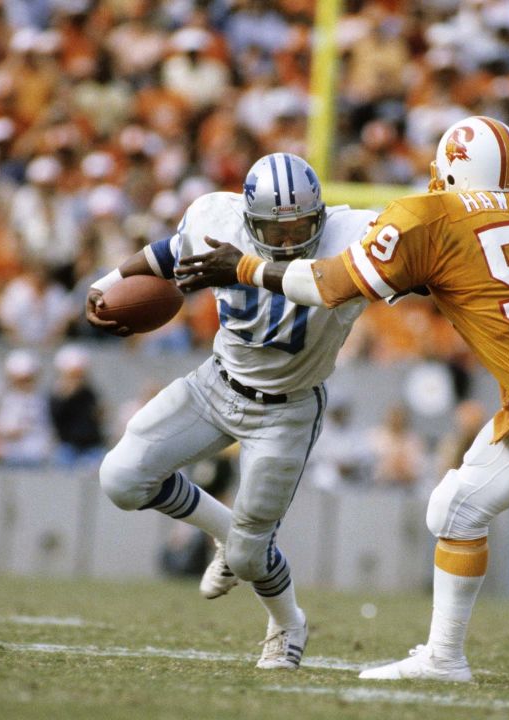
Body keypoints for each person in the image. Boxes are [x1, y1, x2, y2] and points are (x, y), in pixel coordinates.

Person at [175, 116, 509, 682]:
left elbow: (326, 286)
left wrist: (243, 266)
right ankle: (444, 657)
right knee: (455, 509)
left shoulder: (431, 218)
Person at [87, 153, 377, 670]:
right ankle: (226, 530)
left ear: (322, 217)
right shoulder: (215, 218)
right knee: (121, 478)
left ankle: (288, 622)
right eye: (274, 229)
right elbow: (170, 252)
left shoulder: (353, 235)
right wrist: (108, 282)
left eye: (301, 228)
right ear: (247, 221)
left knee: (249, 557)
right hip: (213, 385)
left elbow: (416, 264)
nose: (289, 240)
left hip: (285, 412)